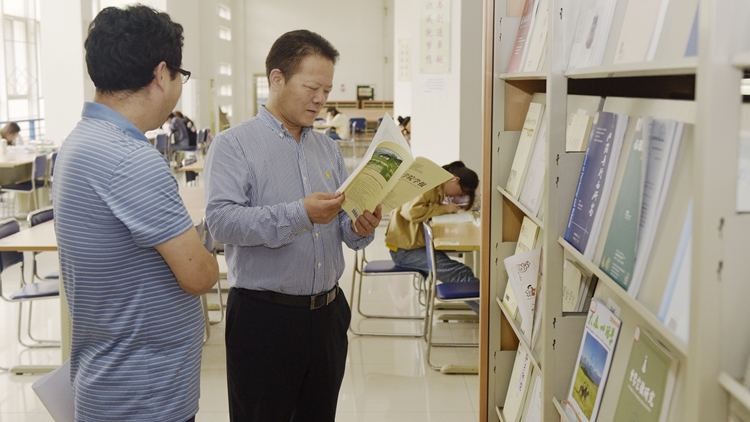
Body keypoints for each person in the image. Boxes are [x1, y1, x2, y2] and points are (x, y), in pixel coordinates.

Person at [204, 29, 382, 421]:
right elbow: (221, 222)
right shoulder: (234, 145)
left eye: (327, 90)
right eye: (312, 88)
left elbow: (344, 228)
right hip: (264, 320)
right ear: (277, 79)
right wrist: (300, 214)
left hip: (328, 315)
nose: (321, 100)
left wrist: (361, 227)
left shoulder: (327, 148)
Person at [51, 5, 219, 421]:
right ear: (161, 74)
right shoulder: (131, 159)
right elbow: (199, 275)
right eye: (180, 76)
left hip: (108, 378)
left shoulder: (79, 142)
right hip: (145, 394)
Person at [384, 160, 480, 313]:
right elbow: (410, 212)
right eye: (460, 192)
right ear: (455, 179)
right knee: (462, 274)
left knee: (462, 273)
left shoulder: (436, 185)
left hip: (413, 247)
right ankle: (490, 320)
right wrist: (443, 209)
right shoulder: (429, 184)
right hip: (404, 251)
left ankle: (486, 317)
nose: (457, 196)